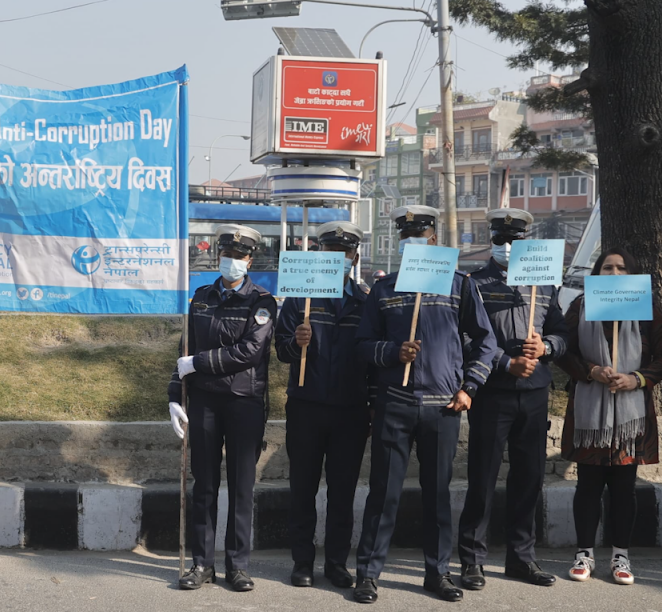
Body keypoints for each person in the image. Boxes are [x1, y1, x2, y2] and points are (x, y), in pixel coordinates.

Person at [352, 204, 498, 604]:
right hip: (394, 402)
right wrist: (392, 352)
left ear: (434, 238)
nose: (414, 240)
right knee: (384, 494)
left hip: (444, 405)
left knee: (438, 495)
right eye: (407, 236)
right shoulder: (384, 289)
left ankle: (438, 573)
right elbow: (363, 345)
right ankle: (367, 574)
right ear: (401, 243)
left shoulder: (458, 285)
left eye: (421, 234)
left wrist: (469, 387)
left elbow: (487, 343)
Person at [456, 209, 565, 590]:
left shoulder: (546, 282)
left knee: (529, 478)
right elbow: (467, 338)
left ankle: (522, 558)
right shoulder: (476, 282)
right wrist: (505, 362)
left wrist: (547, 346)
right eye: (501, 240)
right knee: (482, 478)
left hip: (535, 394)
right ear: (492, 240)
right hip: (492, 392)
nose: (507, 247)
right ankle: (472, 559)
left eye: (515, 240)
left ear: (526, 241)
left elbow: (561, 332)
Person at [557, 247, 662, 586]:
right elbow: (564, 351)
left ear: (633, 275)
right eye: (607, 268)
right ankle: (584, 553)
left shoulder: (647, 309)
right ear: (596, 274)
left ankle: (620, 554)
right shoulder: (580, 307)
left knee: (624, 487)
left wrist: (636, 378)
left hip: (631, 412)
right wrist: (591, 371)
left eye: (622, 268)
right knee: (588, 485)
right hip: (589, 411)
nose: (614, 274)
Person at [168, 223, 276, 592]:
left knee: (242, 486)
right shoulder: (201, 298)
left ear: (250, 259)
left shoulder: (261, 301)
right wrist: (173, 394)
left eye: (239, 256)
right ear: (219, 256)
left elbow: (250, 351)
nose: (232, 261)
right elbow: (185, 351)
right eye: (227, 254)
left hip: (244, 401)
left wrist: (198, 363)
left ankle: (238, 566)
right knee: (205, 484)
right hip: (205, 401)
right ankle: (202, 564)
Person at [273, 221, 370, 590]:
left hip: (351, 410)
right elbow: (280, 351)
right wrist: (296, 342)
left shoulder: (365, 300)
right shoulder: (300, 299)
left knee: (342, 491)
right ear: (320, 255)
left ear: (354, 257)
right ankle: (302, 562)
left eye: (344, 254)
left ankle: (336, 563)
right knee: (303, 488)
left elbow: (373, 355)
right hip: (306, 405)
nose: (338, 259)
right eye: (331, 253)